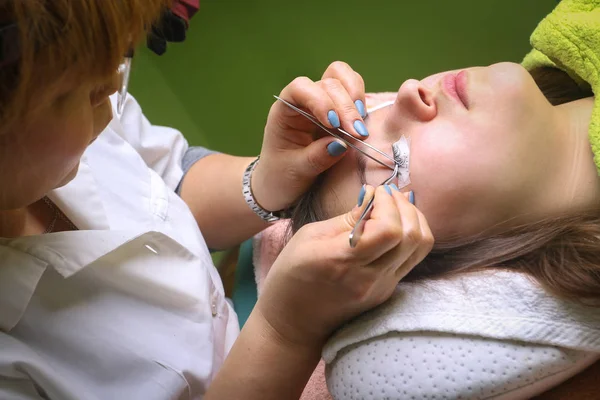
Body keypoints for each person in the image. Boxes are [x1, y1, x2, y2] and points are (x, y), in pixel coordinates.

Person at [0, 2, 434, 399]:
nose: (112, 85)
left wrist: (267, 179)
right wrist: (285, 331)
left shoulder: (72, 115)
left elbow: (167, 181)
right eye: (79, 90)